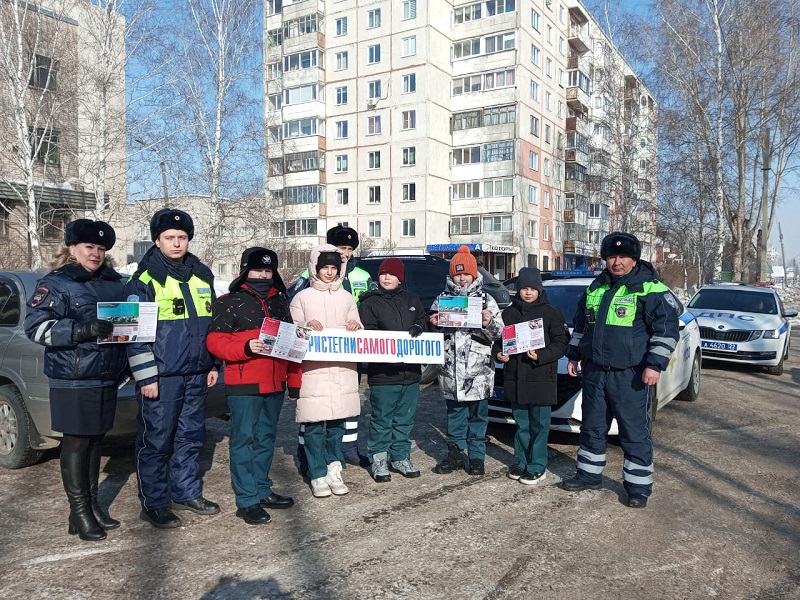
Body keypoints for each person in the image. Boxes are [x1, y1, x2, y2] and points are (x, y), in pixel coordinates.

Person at [24, 219, 127, 541]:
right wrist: (79, 331)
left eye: (100, 248)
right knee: (77, 441)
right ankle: (79, 511)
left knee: (96, 440)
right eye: (88, 247)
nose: (95, 253)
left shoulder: (112, 283)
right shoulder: (56, 283)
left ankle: (91, 507)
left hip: (105, 375)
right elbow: (35, 328)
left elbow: (126, 325)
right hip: (73, 376)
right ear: (72, 248)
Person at [560, 232, 680, 508]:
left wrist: (654, 365)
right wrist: (573, 355)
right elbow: (581, 327)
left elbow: (666, 332)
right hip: (595, 372)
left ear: (634, 259)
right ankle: (589, 475)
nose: (617, 262)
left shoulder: (651, 290)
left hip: (632, 375)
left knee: (633, 431)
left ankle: (638, 487)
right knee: (592, 427)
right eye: (612, 256)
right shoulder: (595, 288)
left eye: (623, 256)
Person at [125, 208, 220, 529]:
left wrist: (213, 363)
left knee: (191, 437)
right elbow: (133, 334)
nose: (176, 243)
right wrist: (145, 375)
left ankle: (186, 492)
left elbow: (213, 324)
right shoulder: (144, 280)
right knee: (157, 442)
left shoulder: (201, 275)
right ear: (157, 240)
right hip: (161, 378)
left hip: (196, 374)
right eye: (169, 238)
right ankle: (154, 503)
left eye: (182, 237)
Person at [206, 247, 301, 525]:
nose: (264, 275)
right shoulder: (229, 302)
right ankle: (246, 499)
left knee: (265, 439)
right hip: (244, 382)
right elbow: (215, 342)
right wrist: (246, 346)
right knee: (244, 440)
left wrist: (294, 382)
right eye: (259, 270)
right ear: (246, 271)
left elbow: (293, 344)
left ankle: (261, 489)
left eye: (269, 271)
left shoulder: (281, 303)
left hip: (275, 383)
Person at [287, 226, 373, 472]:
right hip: (315, 362)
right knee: (313, 412)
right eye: (340, 249)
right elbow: (292, 319)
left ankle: (346, 452)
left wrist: (359, 327)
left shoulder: (360, 276)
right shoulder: (307, 281)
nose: (344, 254)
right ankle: (308, 456)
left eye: (349, 249)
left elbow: (366, 309)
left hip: (346, 355)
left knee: (344, 408)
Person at [429, 246, 503, 476]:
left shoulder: (485, 299)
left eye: (465, 274)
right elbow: (433, 333)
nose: (461, 279)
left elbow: (499, 333)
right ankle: (455, 454)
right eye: (457, 274)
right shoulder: (443, 298)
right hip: (452, 371)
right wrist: (434, 323)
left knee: (478, 416)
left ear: (473, 274)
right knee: (455, 415)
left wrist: (487, 322)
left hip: (478, 372)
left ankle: (477, 456)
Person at [494, 268, 569, 485]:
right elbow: (498, 342)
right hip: (516, 377)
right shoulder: (508, 314)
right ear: (518, 290)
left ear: (539, 289)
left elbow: (561, 343)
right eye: (524, 288)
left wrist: (542, 355)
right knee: (521, 423)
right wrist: (498, 354)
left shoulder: (551, 313)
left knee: (540, 424)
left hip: (541, 378)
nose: (528, 293)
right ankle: (520, 462)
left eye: (532, 289)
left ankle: (537, 465)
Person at [358, 258, 429, 482]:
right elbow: (367, 332)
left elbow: (423, 320)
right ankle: (378, 458)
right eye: (383, 274)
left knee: (404, 418)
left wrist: (420, 326)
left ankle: (400, 456)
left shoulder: (411, 298)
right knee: (382, 418)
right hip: (383, 374)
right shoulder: (370, 302)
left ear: (400, 278)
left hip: (410, 373)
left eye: (392, 274)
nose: (387, 278)